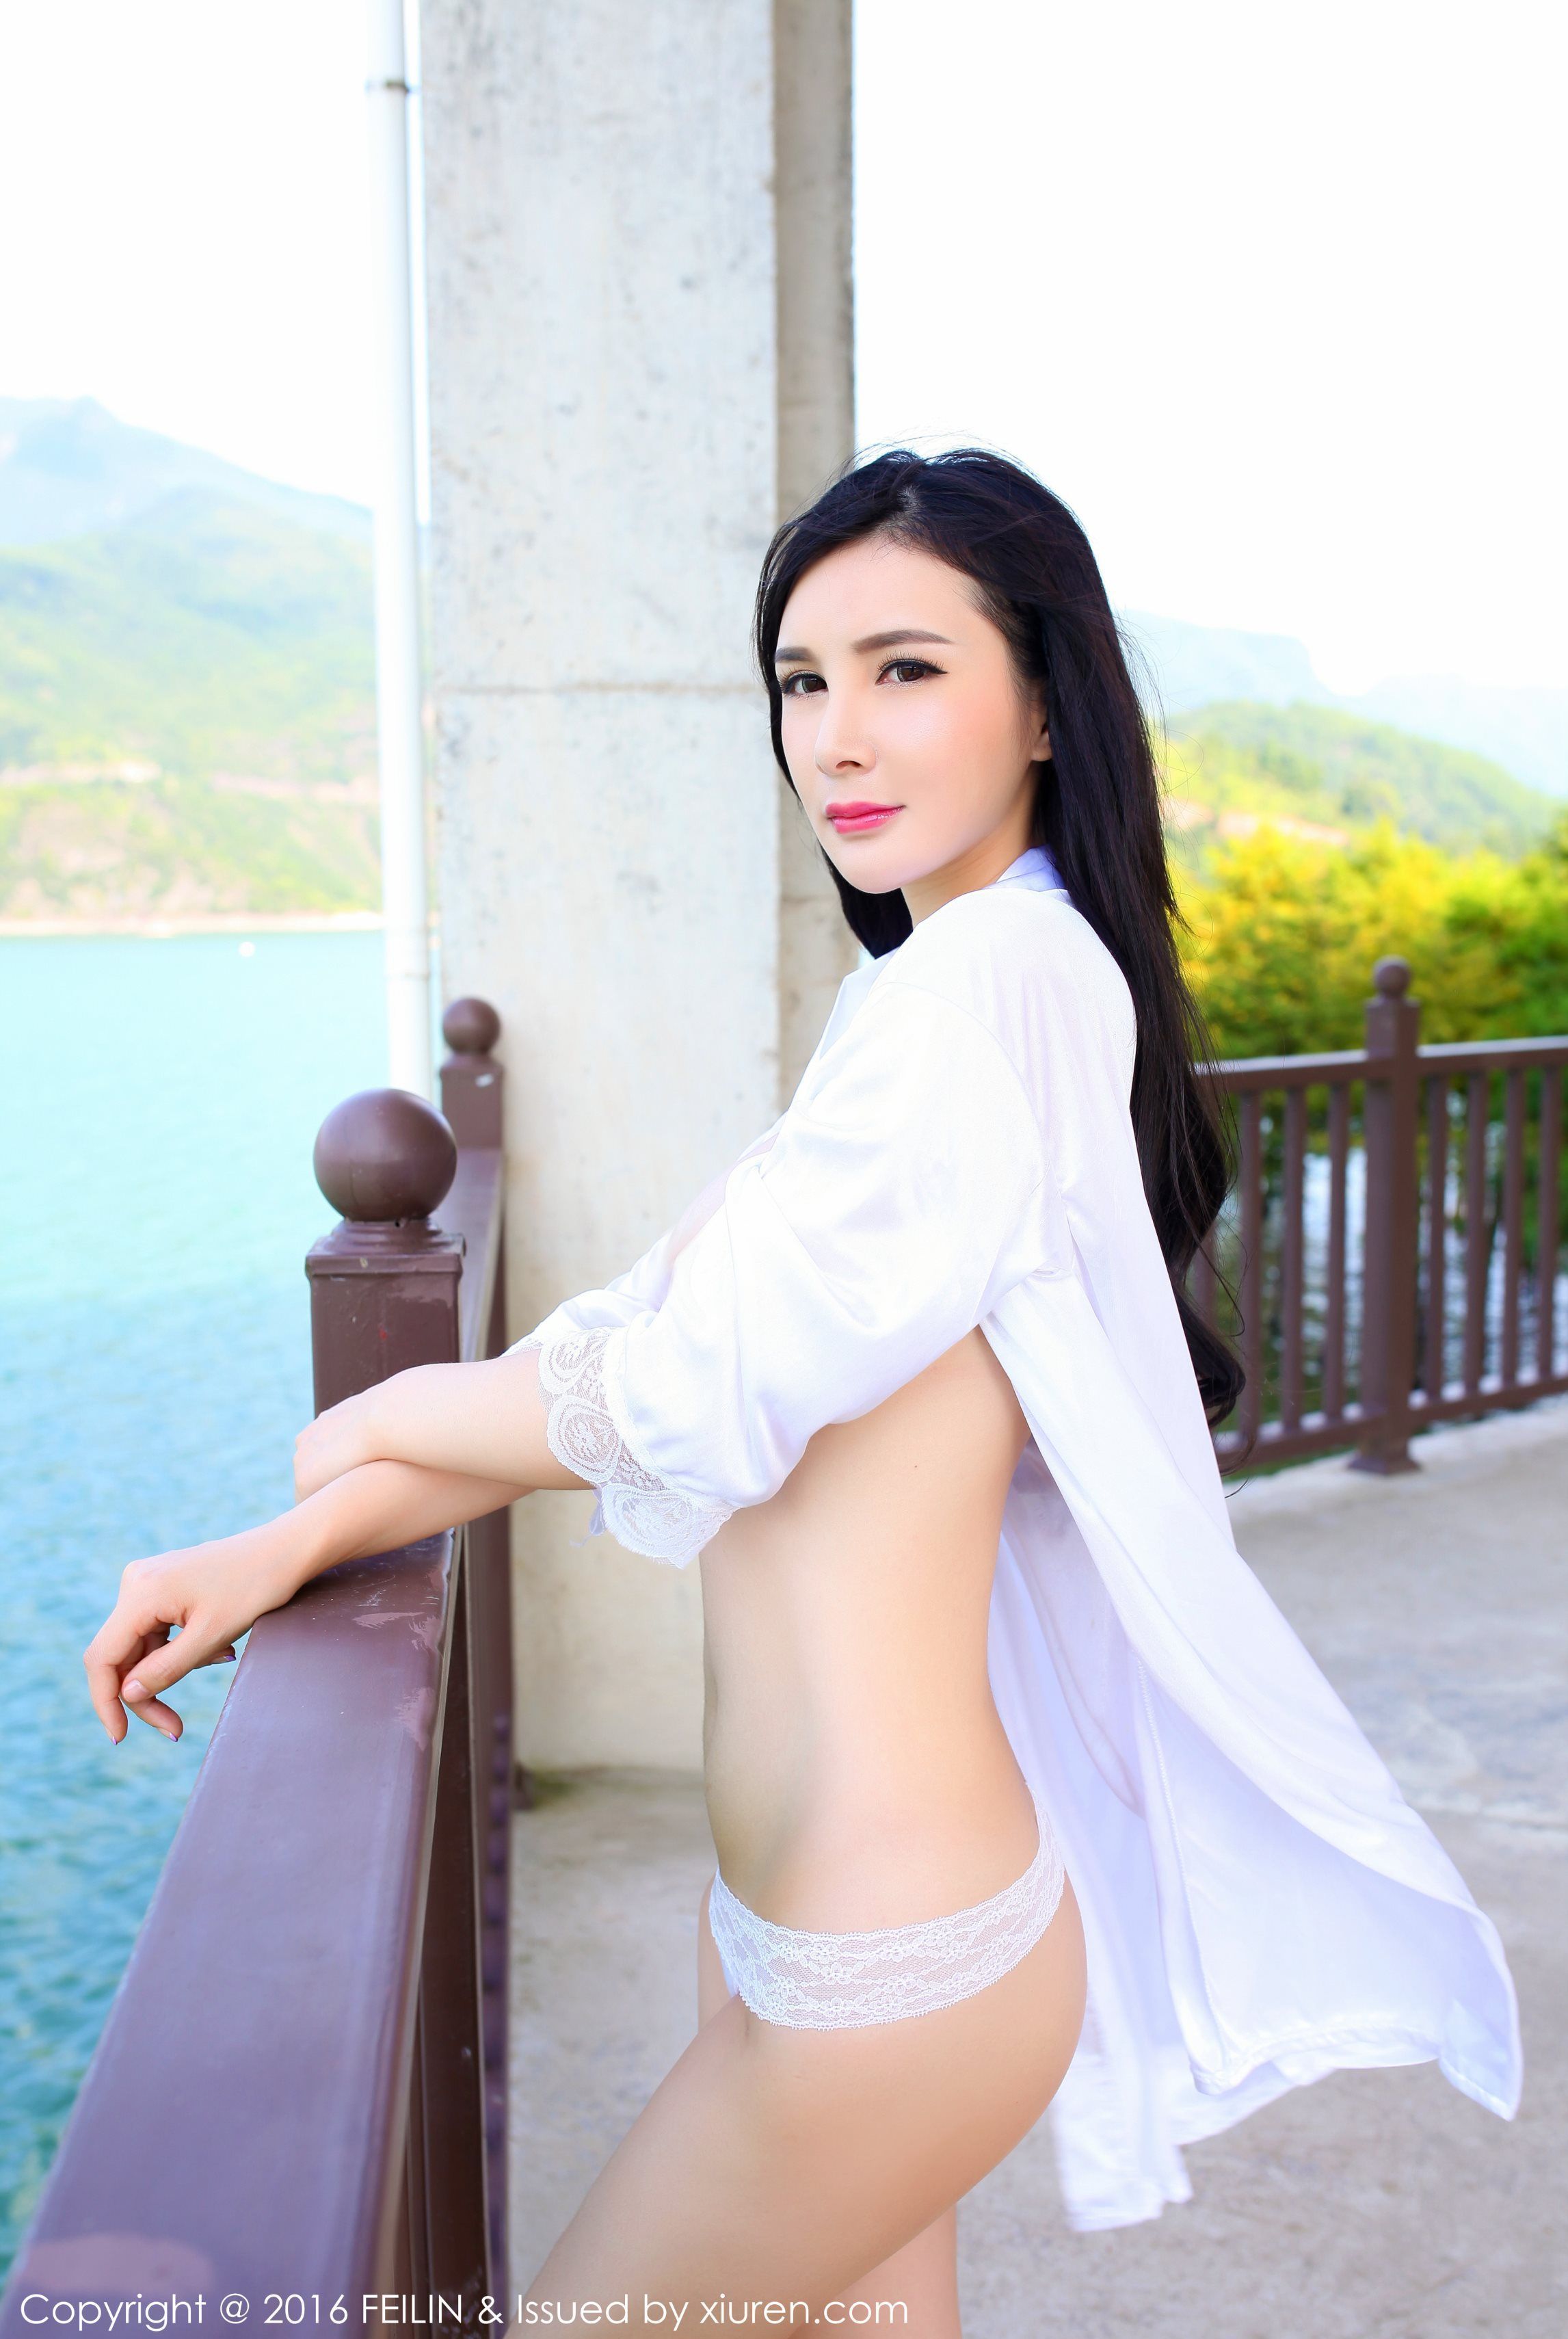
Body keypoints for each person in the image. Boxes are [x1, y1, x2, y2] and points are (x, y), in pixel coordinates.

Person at [84, 450, 1521, 2332]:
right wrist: (295, 1539)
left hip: (889, 1965)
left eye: (906, 668)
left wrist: (371, 1421)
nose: (836, 731)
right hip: (811, 1928)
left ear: (1044, 704)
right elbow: (633, 1338)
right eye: (801, 677)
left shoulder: (989, 996)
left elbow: (685, 1393)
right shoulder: (938, 991)